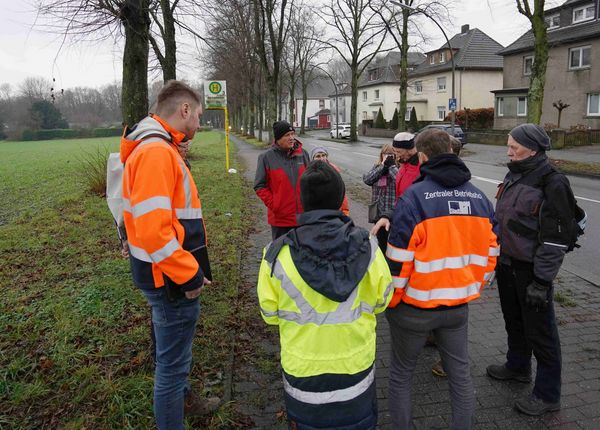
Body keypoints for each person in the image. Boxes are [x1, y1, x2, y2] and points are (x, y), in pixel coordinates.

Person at [257, 161, 393, 430]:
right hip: (355, 368)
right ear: (341, 198)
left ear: (302, 200)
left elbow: (270, 315)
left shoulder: (275, 255)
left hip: (302, 373)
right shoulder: (370, 248)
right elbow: (382, 302)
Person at [120, 80, 219, 429]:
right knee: (172, 368)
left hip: (163, 272)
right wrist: (188, 274)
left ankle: (185, 400)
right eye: (199, 115)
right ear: (185, 110)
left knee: (176, 359)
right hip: (169, 279)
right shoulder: (156, 153)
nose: (199, 124)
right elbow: (153, 231)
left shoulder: (151, 146)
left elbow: (132, 212)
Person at [384, 129, 499, 429]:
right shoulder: (479, 198)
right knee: (460, 376)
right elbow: (493, 251)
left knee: (401, 374)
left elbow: (397, 262)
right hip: (457, 307)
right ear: (450, 149)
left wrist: (392, 303)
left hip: (413, 307)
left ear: (421, 157)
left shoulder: (413, 199)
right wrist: (473, 287)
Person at [486, 124, 579, 416]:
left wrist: (541, 280)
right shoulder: (515, 172)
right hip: (507, 263)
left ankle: (548, 394)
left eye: (514, 146)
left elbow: (555, 238)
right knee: (514, 321)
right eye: (508, 144)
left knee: (542, 333)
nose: (509, 150)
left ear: (534, 149)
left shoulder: (553, 182)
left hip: (532, 271)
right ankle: (517, 366)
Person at [254, 120, 310, 240]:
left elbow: (311, 181)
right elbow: (259, 186)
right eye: (287, 135)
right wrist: (275, 205)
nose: (291, 138)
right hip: (280, 221)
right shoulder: (266, 158)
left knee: (303, 255)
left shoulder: (303, 154)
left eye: (292, 134)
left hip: (303, 219)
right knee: (282, 256)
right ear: (278, 138)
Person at [362, 143, 399, 252]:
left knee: (392, 243)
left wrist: (391, 167)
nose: (388, 157)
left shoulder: (398, 168)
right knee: (381, 242)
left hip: (392, 211)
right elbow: (367, 179)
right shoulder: (377, 167)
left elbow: (400, 181)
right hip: (378, 211)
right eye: (386, 154)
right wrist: (383, 167)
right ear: (382, 155)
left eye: (391, 155)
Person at [310, 146, 350, 215]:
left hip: (334, 210)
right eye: (318, 156)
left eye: (323, 155)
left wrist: (345, 210)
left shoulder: (334, 170)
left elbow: (341, 193)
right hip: (317, 211)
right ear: (313, 159)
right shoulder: (309, 173)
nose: (322, 158)